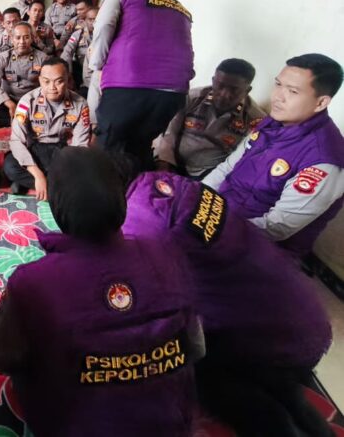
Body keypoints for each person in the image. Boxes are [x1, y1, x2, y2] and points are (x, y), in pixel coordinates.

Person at [0, 147, 200, 437]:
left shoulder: (33, 282)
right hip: (171, 422)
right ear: (120, 197)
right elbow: (195, 346)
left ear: (57, 206)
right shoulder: (166, 252)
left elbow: (0, 357)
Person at [123, 171, 333, 437]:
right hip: (296, 313)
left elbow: (150, 306)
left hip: (261, 339)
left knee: (223, 388)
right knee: (288, 394)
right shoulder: (169, 187)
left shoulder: (145, 227)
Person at [203, 54, 344, 257]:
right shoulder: (273, 122)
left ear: (321, 102)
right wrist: (194, 199)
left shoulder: (325, 160)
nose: (278, 96)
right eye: (278, 84)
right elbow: (227, 168)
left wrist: (211, 227)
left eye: (293, 91)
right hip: (219, 214)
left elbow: (276, 228)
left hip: (260, 247)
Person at [90, 0, 194, 169]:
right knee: (139, 146)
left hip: (128, 84)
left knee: (108, 146)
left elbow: (103, 28)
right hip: (173, 93)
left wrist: (97, 63)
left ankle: (100, 196)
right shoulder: (181, 10)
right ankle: (136, 193)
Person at [154, 58, 266, 178]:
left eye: (234, 89)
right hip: (170, 161)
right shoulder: (192, 98)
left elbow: (241, 159)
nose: (224, 94)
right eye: (220, 85)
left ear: (247, 90)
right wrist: (164, 164)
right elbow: (169, 133)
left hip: (209, 173)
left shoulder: (255, 119)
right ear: (213, 81)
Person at [4, 58, 90, 198]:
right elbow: (16, 141)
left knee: (87, 168)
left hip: (61, 150)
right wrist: (38, 175)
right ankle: (51, 184)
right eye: (46, 81)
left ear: (68, 80)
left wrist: (72, 167)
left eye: (59, 81)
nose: (52, 87)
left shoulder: (81, 105)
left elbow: (80, 145)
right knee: (10, 166)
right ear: (39, 80)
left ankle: (28, 183)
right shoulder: (27, 102)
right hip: (35, 149)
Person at [0, 22, 48, 128]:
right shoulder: (3, 57)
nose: (22, 42)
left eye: (26, 37)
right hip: (11, 99)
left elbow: (48, 83)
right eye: (18, 38)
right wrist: (9, 102)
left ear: (32, 38)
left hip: (33, 100)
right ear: (12, 39)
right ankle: (23, 119)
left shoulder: (42, 58)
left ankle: (12, 120)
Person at [60, 5, 98, 95]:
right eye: (90, 19)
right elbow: (67, 53)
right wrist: (69, 75)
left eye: (96, 19)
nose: (93, 22)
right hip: (79, 71)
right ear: (84, 20)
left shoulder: (106, 36)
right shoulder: (78, 34)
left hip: (96, 73)